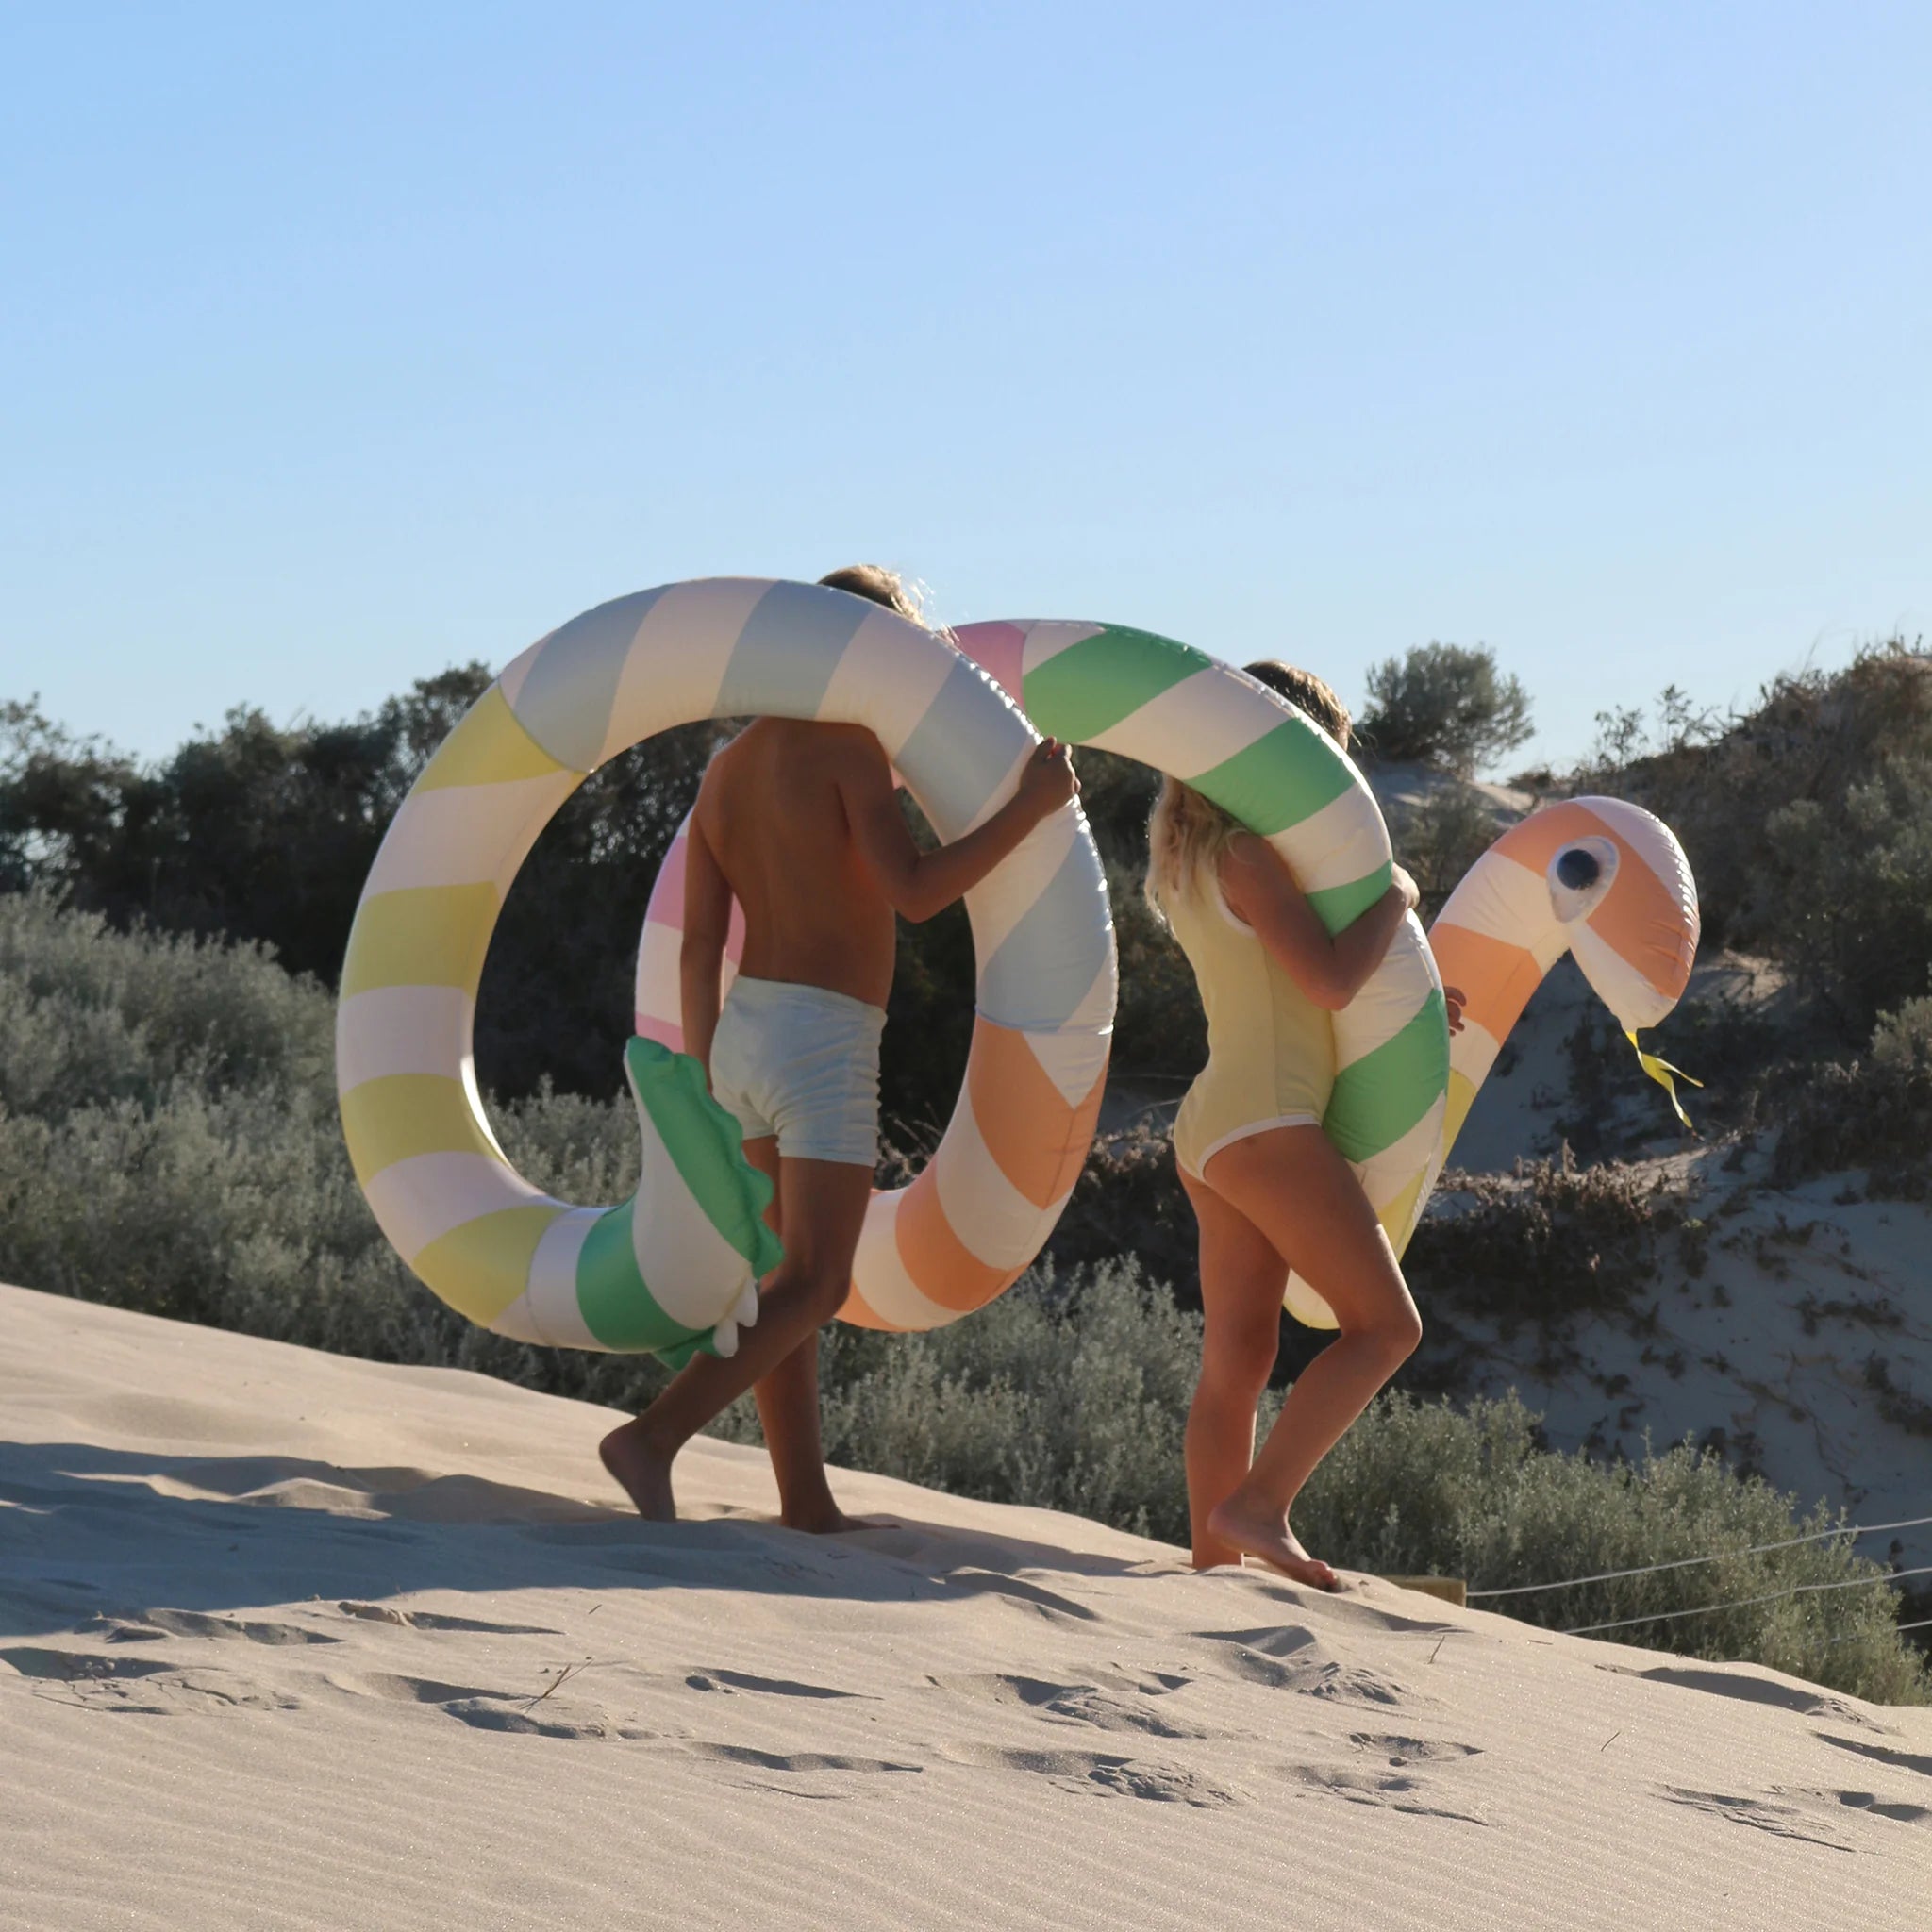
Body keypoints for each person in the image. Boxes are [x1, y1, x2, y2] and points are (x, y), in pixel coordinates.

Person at [600, 565, 1079, 1528]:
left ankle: (803, 1496)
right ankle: (649, 1435)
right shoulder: (850, 750)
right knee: (819, 1280)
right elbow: (913, 889)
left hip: (741, 1032)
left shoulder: (728, 766)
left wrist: (701, 1071)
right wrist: (1027, 809)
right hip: (822, 1038)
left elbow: (697, 943)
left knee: (790, 1278)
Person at [1147, 661, 1464, 1588]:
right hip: (1265, 1121)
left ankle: (1213, 1571)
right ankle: (1258, 1506)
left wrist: (1409, 1006)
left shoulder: (1196, 857)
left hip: (1216, 1122)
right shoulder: (1252, 853)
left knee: (1237, 1358)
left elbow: (1294, 990)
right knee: (1384, 1326)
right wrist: (1400, 895)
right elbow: (1327, 979)